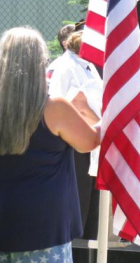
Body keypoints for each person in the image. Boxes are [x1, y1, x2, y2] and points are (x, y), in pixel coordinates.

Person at [0, 27, 99, 260]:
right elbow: (89, 142)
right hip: (44, 228)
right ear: (40, 62)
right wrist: (102, 117)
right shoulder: (54, 107)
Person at [48, 29, 103, 240]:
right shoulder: (69, 66)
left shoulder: (85, 65)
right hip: (77, 144)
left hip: (92, 142)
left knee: (91, 211)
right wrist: (102, 127)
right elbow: (78, 106)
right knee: (80, 208)